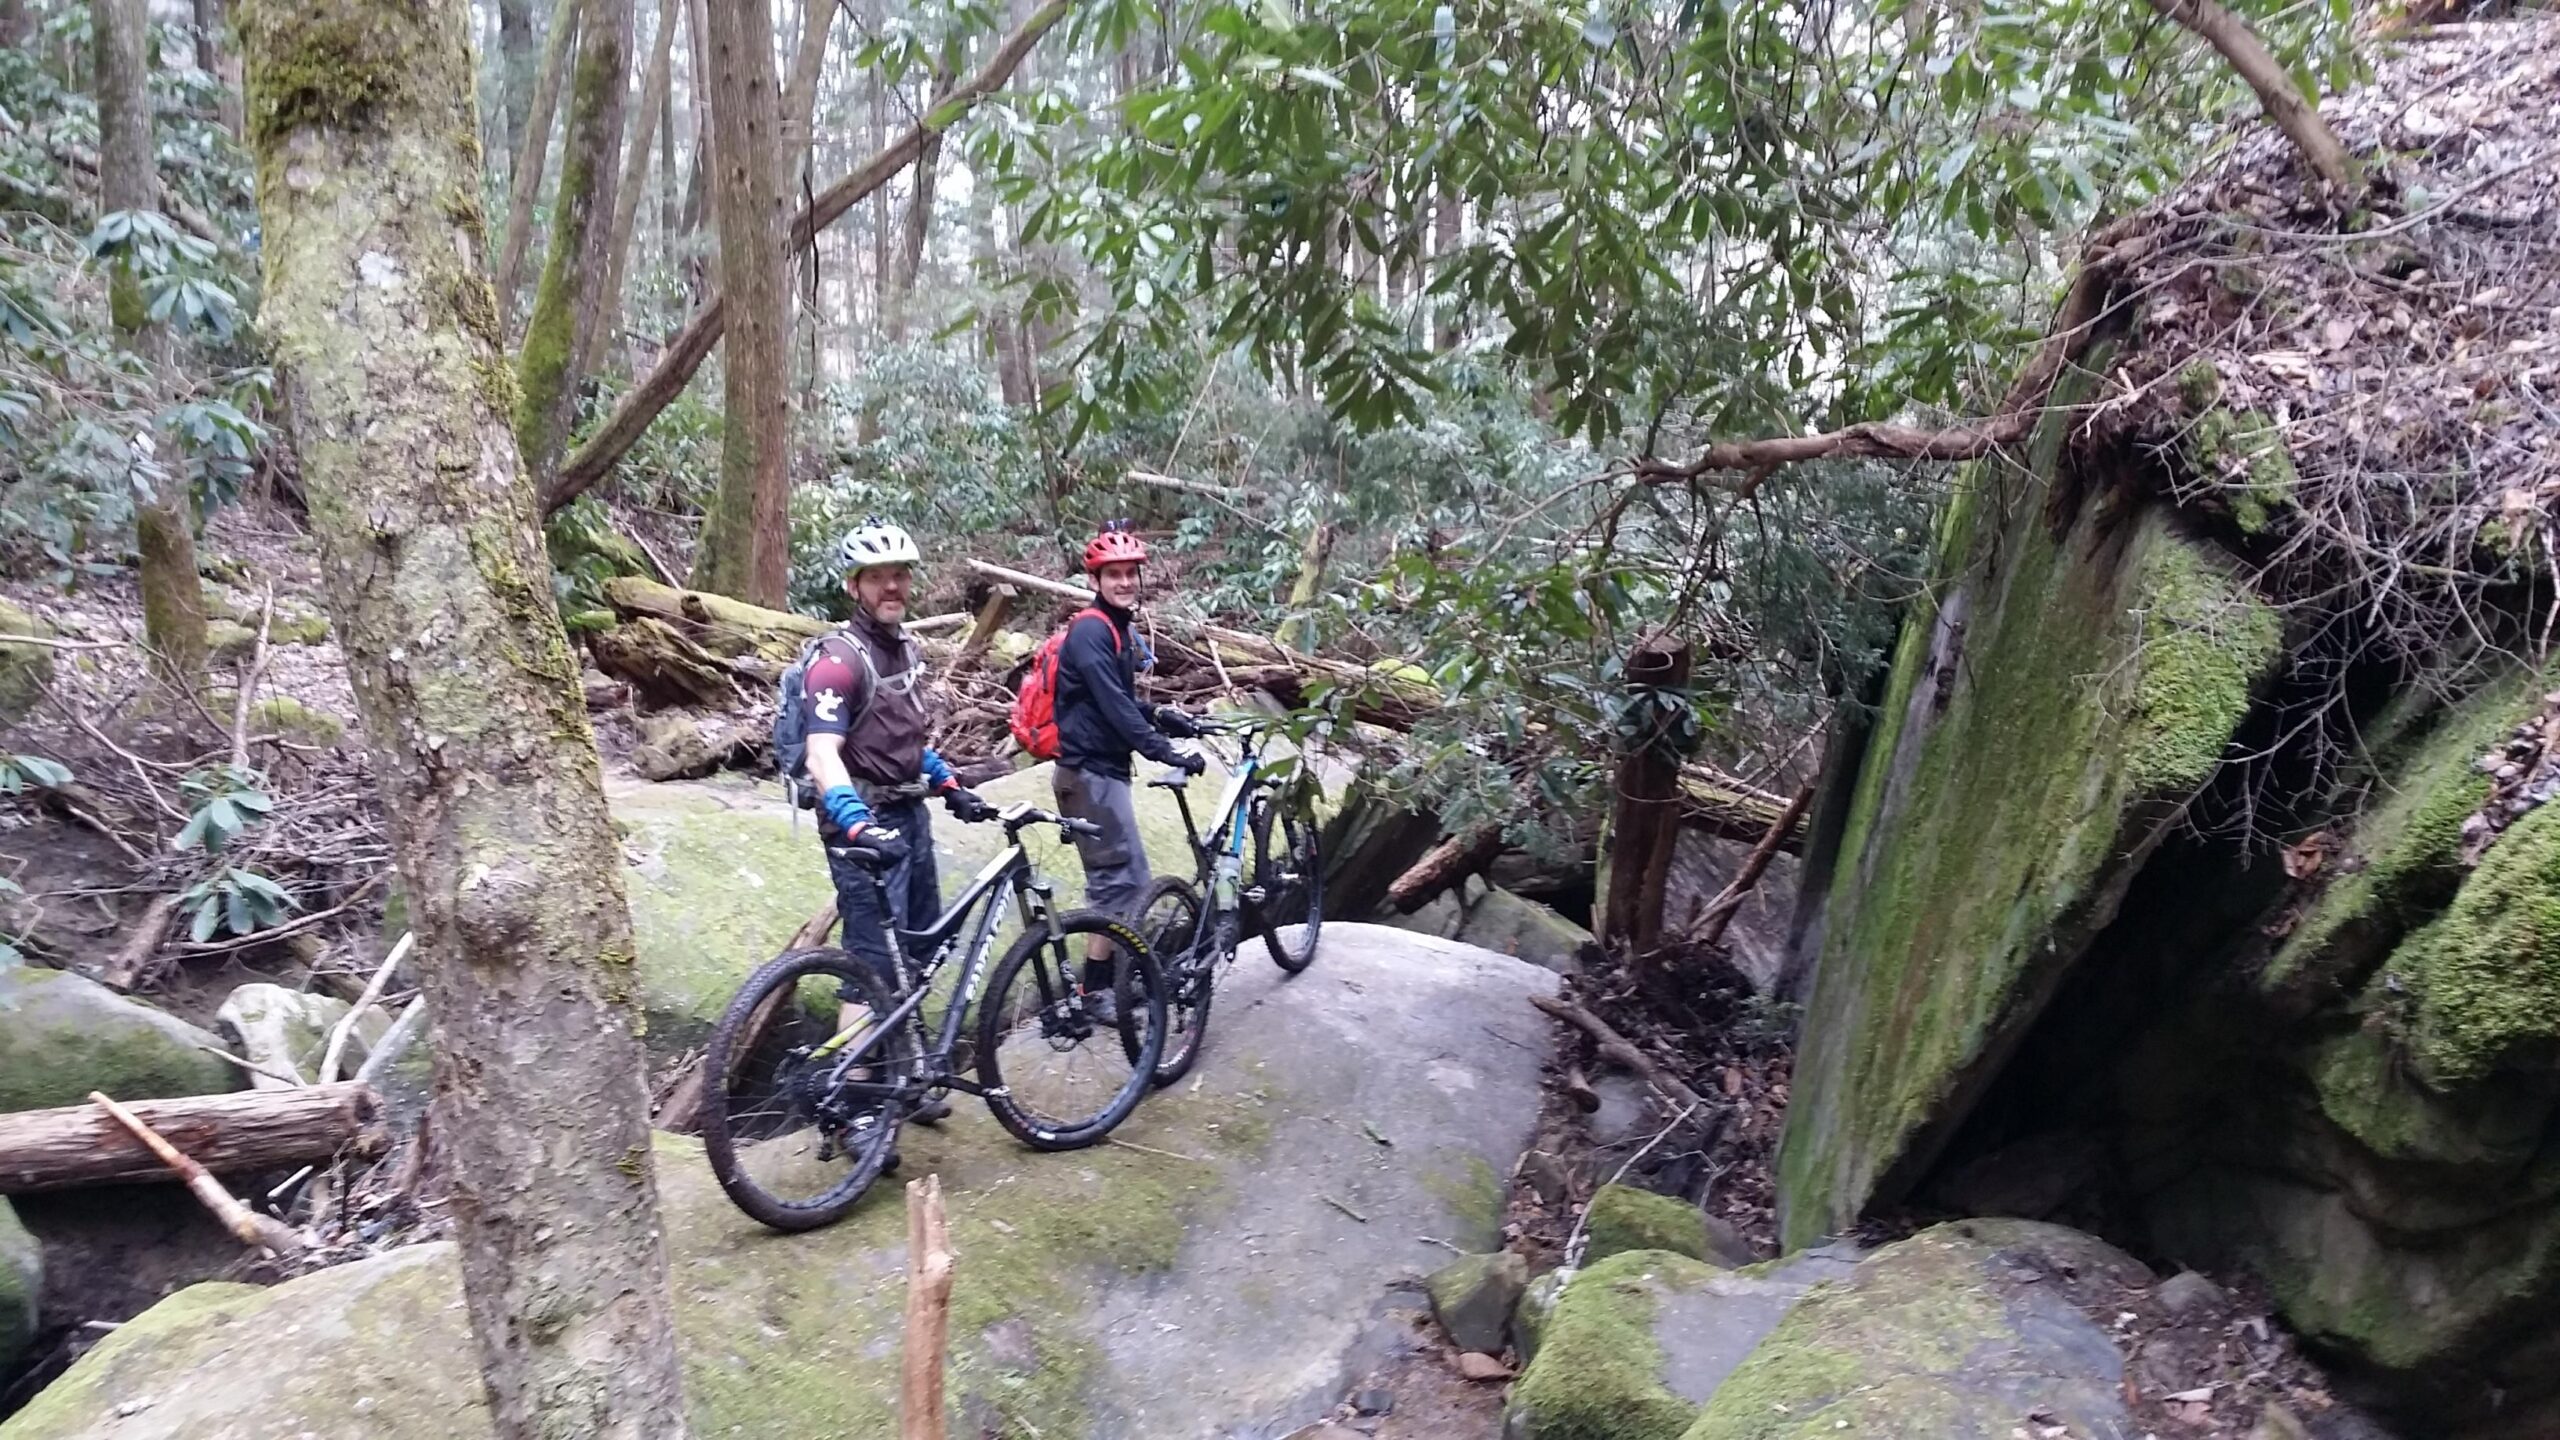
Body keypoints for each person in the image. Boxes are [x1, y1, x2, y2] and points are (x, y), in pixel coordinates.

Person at [800, 520, 999, 1116]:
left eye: (900, 575)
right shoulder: (837, 660)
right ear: (854, 586)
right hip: (861, 827)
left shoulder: (904, 648)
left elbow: (902, 741)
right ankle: (855, 1101)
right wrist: (854, 821)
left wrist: (947, 782)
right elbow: (821, 754)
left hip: (908, 816)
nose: (892, 586)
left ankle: (903, 1083)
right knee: (869, 964)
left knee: (920, 946)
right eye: (878, 577)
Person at [1050, 522, 1205, 1019]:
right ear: (1095, 580)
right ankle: (1095, 993)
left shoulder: (1115, 629)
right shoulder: (1092, 629)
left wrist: (1161, 715)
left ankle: (1096, 990)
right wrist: (1164, 750)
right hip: (1089, 776)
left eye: (1130, 573)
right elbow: (1113, 706)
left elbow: (1121, 702)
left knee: (1118, 885)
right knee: (1123, 884)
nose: (1123, 582)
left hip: (1100, 775)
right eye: (1112, 574)